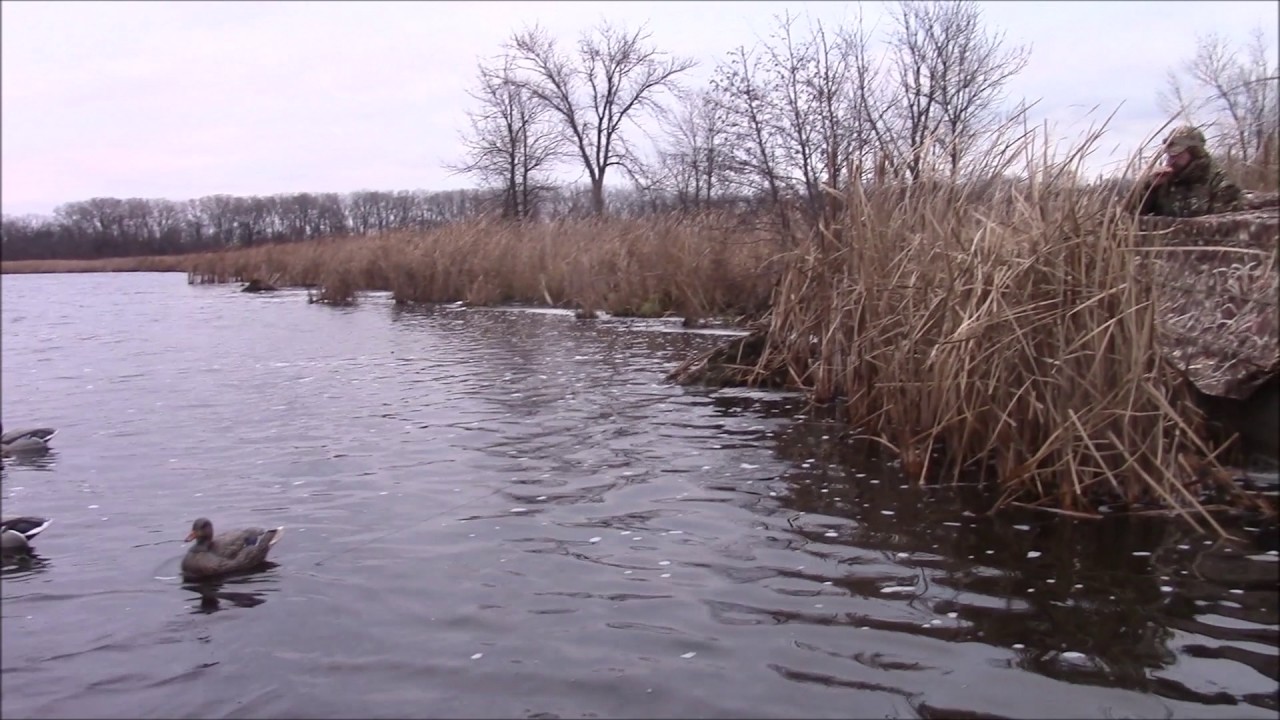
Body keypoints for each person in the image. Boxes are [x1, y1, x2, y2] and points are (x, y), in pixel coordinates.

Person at [1134, 125, 1243, 218]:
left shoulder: (1218, 183)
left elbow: (1224, 226)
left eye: (1177, 154)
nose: (1170, 160)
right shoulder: (1164, 180)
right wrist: (1149, 187)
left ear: (1195, 153)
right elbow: (1131, 214)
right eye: (1169, 155)